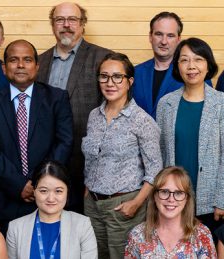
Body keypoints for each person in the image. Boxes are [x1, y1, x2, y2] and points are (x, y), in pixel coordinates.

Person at [0, 39, 74, 233]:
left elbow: (64, 142)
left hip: (48, 198)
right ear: (4, 68)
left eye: (27, 60)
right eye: (14, 60)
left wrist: (39, 182)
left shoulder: (57, 98)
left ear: (37, 66)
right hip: (5, 201)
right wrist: (19, 184)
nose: (21, 65)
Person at [82, 52, 162, 259]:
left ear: (129, 81)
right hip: (93, 205)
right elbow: (91, 159)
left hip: (123, 206)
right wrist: (87, 192)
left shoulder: (142, 121)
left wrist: (135, 203)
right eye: (104, 76)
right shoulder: (94, 116)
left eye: (117, 77)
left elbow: (155, 170)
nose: (110, 83)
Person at [37, 2, 115, 212]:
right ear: (52, 25)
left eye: (72, 19)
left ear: (83, 24)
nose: (66, 25)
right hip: (45, 160)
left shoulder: (103, 58)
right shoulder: (38, 62)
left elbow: (113, 109)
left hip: (86, 163)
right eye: (60, 20)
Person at [156, 37, 224, 233]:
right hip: (171, 199)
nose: (191, 66)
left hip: (210, 202)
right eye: (184, 60)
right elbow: (160, 153)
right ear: (177, 67)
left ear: (208, 65)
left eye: (198, 59)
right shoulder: (166, 103)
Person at [6, 161, 98, 259]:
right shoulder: (16, 228)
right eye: (43, 191)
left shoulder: (82, 225)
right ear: (34, 192)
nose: (50, 198)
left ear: (67, 192)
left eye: (58, 191)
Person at [123, 167, 216, 258]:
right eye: (164, 192)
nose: (171, 199)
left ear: (187, 198)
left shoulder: (201, 234)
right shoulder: (137, 235)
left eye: (178, 193)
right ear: (155, 196)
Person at [132, 11, 209, 118]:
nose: (164, 41)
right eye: (159, 34)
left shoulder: (194, 73)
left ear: (178, 39)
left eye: (170, 36)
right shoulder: (135, 73)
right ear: (150, 36)